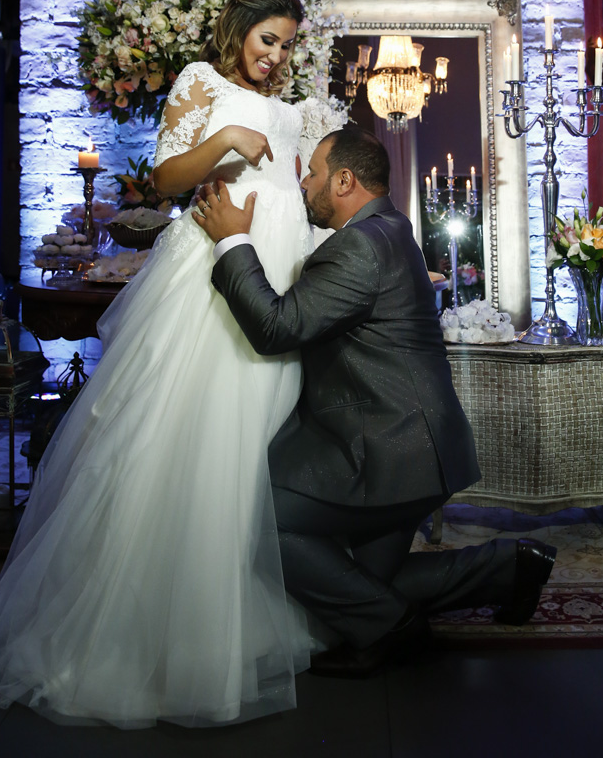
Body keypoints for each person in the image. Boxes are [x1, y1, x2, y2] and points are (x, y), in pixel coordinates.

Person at [0, 0, 324, 727]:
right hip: (212, 282)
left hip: (274, 281)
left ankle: (223, 610)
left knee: (252, 448)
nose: (277, 56)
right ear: (238, 30)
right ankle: (154, 635)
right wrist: (224, 140)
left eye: (288, 45)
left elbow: (297, 195)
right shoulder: (199, 82)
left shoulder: (294, 112)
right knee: (192, 441)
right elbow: (162, 182)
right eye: (267, 40)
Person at [194, 127, 557, 678]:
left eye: (313, 172)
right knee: (361, 581)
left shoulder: (359, 246)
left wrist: (231, 242)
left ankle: (391, 629)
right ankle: (508, 568)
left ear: (344, 180)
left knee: (260, 525)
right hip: (419, 445)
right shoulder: (389, 229)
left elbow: (276, 326)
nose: (305, 182)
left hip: (392, 450)